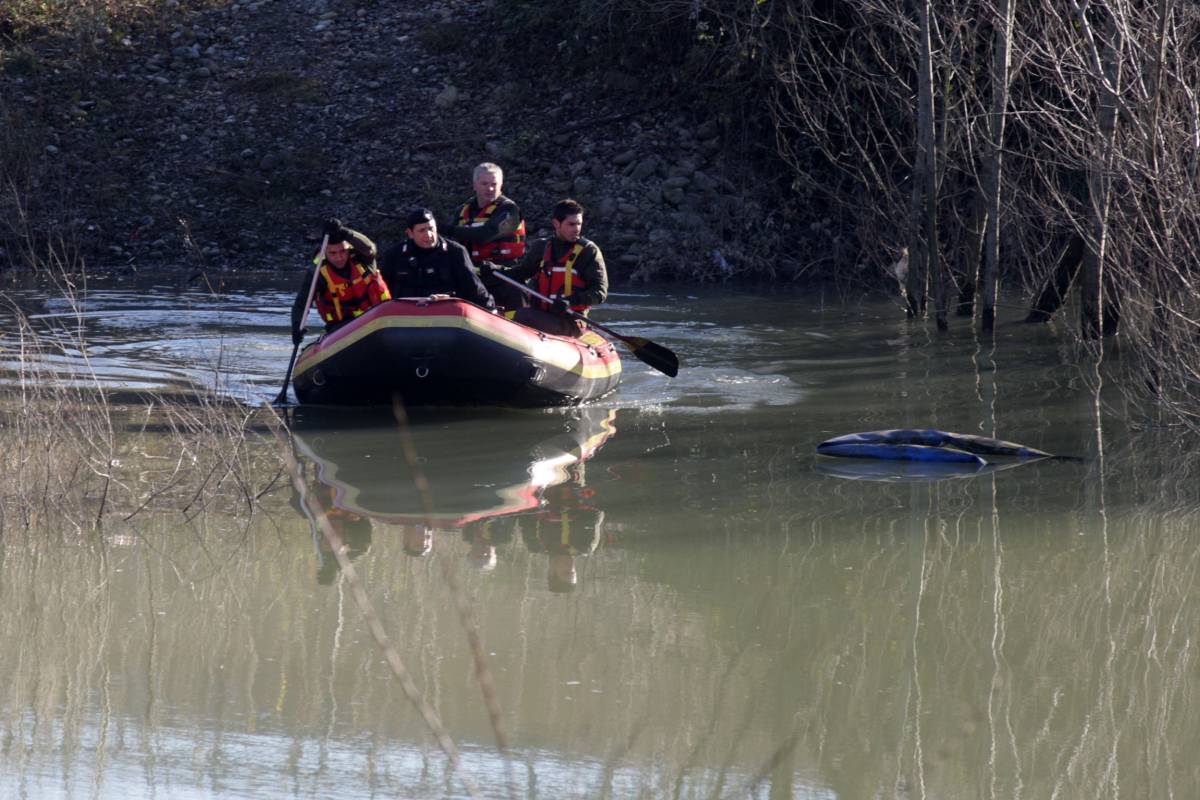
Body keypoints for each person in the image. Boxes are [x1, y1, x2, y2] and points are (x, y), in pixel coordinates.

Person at [483, 198, 607, 337]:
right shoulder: (541, 247)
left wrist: (570, 302)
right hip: (542, 315)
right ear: (556, 224)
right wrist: (494, 270)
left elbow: (599, 293)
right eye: (571, 224)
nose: (577, 229)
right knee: (516, 309)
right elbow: (521, 273)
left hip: (570, 322)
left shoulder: (588, 251)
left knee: (523, 315)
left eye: (579, 224)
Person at [291, 218, 391, 344]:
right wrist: (296, 326)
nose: (339, 257)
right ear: (324, 252)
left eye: (343, 251)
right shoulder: (318, 273)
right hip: (341, 327)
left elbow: (369, 248)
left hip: (376, 320)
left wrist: (346, 232)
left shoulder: (364, 260)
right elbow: (302, 303)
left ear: (349, 248)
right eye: (332, 253)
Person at [442, 163, 528, 309]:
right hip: (472, 274)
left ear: (501, 185)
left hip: (503, 274)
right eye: (484, 184)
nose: (490, 189)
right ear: (474, 185)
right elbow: (453, 245)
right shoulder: (463, 211)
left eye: (494, 184)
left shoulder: (509, 210)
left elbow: (486, 234)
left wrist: (445, 228)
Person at [380, 208, 496, 311]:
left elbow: (474, 289)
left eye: (431, 228)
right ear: (410, 233)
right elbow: (382, 292)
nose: (429, 235)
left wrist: (490, 312)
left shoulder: (455, 252)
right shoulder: (394, 255)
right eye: (422, 230)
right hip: (406, 317)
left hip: (447, 317)